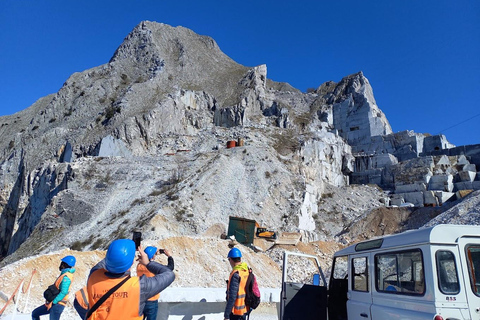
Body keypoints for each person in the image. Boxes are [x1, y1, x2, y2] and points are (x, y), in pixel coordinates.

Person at [86, 239, 175, 320]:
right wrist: (148, 263)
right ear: (132, 262)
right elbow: (169, 273)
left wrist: (121, 252)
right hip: (151, 300)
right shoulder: (139, 286)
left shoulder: (94, 275)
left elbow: (108, 260)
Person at [32, 255, 76, 320]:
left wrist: (53, 302)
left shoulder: (66, 277)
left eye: (62, 263)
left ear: (64, 264)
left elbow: (64, 292)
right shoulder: (64, 274)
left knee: (35, 313)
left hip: (57, 304)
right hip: (54, 303)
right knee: (35, 313)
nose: (60, 265)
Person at [136, 246, 174, 320]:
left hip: (141, 299)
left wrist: (156, 253)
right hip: (152, 299)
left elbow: (147, 259)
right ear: (152, 257)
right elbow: (169, 269)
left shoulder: (139, 265)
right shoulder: (152, 268)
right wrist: (169, 256)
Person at [224, 247, 250, 320]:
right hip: (245, 309)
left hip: (237, 312)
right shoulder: (246, 271)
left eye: (229, 259)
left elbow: (232, 297)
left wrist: (226, 315)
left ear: (231, 259)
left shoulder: (236, 274)